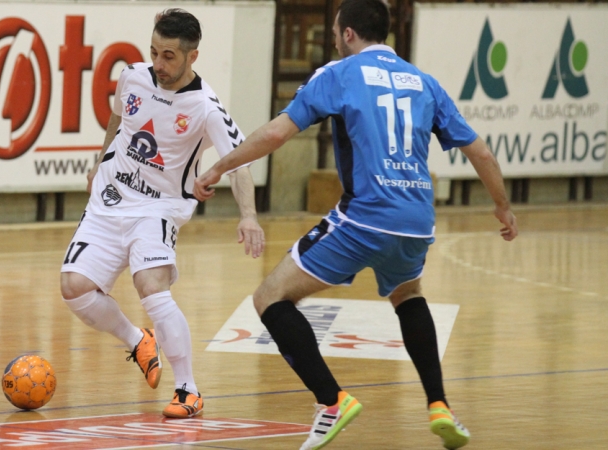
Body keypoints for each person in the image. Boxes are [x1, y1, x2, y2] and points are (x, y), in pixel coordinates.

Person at [194, 0, 518, 448]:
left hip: (365, 216)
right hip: (417, 220)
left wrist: (216, 168)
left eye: (333, 31)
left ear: (347, 34)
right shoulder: (424, 82)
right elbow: (479, 151)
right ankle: (439, 405)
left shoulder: (338, 73)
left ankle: (332, 401)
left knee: (270, 297)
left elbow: (274, 135)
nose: (332, 38)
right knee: (408, 294)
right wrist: (502, 206)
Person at [60, 8, 264, 419]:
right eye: (154, 52)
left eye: (169, 55)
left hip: (159, 208)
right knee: (74, 287)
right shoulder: (133, 75)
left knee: (151, 284)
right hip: (110, 198)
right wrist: (100, 161)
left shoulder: (205, 107)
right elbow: (118, 117)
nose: (159, 63)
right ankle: (138, 341)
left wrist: (249, 216)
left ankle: (188, 390)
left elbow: (240, 162)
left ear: (193, 57)